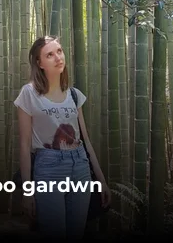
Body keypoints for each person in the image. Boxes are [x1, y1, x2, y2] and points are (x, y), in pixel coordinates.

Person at [14, 35, 111, 239]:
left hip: (80, 166)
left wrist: (101, 180)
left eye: (59, 51)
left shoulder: (74, 94)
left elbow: (85, 140)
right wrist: (27, 190)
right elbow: (24, 146)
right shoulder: (29, 93)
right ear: (39, 63)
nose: (58, 57)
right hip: (49, 168)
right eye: (49, 55)